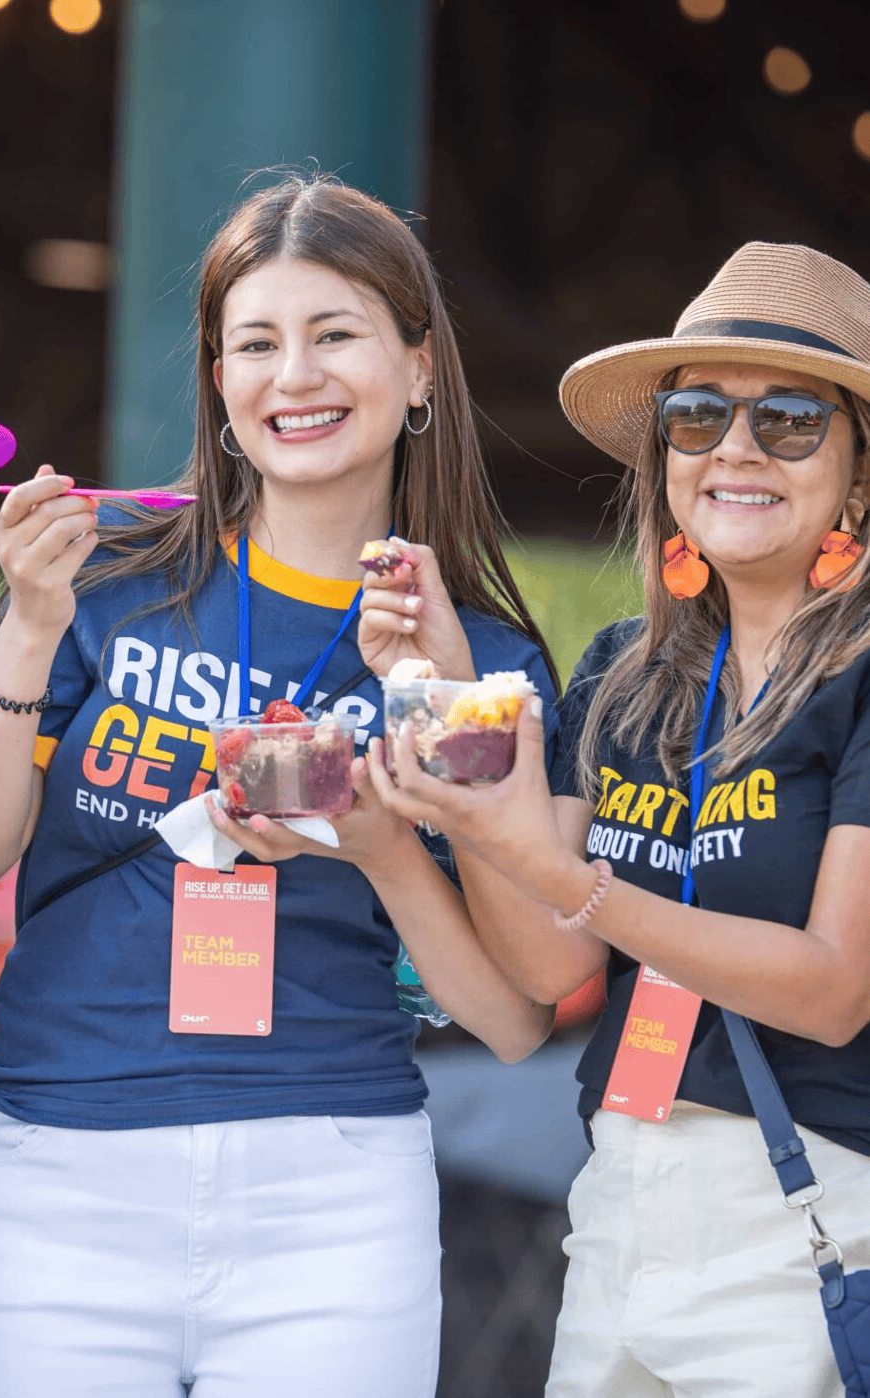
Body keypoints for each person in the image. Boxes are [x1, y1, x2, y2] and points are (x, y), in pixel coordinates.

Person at [0, 173, 559, 1398]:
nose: (295, 375)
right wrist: (25, 622)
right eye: (255, 344)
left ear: (420, 370)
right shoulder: (104, 579)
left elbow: (515, 1017)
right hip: (58, 1169)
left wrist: (386, 821)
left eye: (336, 335)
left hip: (332, 1187)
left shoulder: (486, 661)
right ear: (219, 384)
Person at [369, 241, 870, 1398]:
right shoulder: (620, 676)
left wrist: (581, 882)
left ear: (855, 470)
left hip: (815, 1204)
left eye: (789, 420)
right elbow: (549, 961)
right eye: (695, 417)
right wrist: (455, 723)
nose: (735, 449)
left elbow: (832, 986)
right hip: (618, 1195)